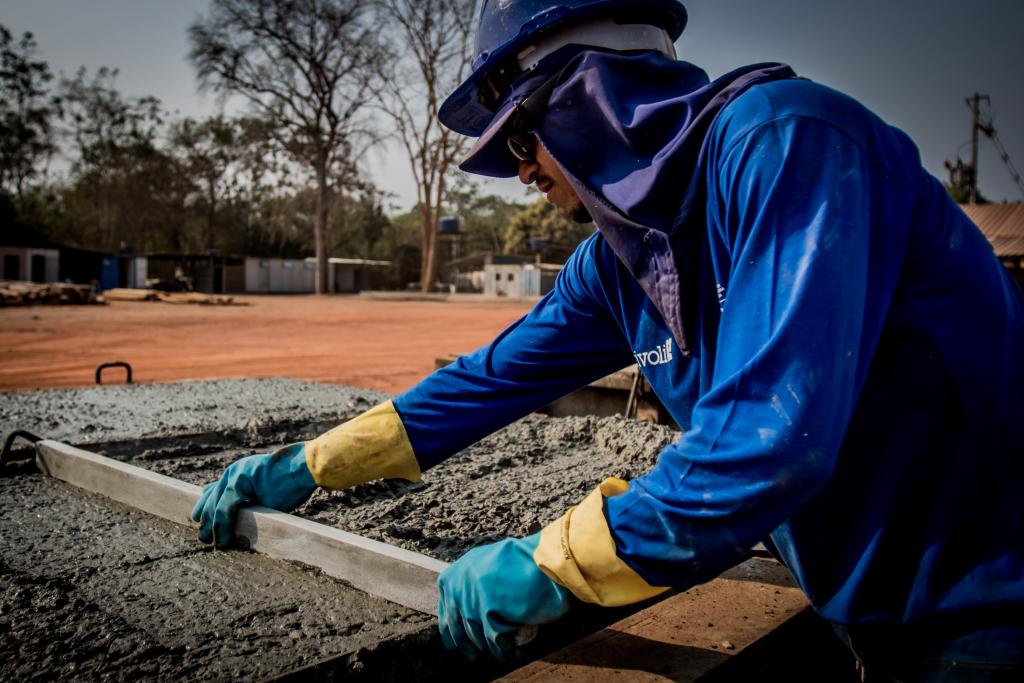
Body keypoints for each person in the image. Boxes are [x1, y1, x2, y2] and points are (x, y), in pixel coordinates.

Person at [193, 1, 1024, 678]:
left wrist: (553, 560)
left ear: (590, 96)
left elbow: (774, 439)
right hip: (870, 611)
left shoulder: (788, 146)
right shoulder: (620, 263)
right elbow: (488, 380)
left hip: (991, 603)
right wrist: (313, 463)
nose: (521, 169)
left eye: (523, 137)